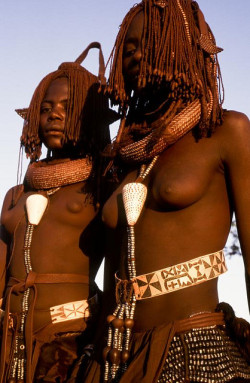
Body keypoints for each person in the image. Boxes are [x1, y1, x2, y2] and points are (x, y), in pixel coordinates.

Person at [80, 1, 250, 382]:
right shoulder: (123, 158)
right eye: (128, 49)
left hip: (196, 350)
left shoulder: (227, 132)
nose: (136, 54)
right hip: (113, 357)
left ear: (182, 44)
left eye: (150, 42)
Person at [0, 42, 116, 382]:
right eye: (47, 107)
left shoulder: (103, 187)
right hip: (8, 345)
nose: (54, 114)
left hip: (71, 343)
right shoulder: (16, 194)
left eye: (68, 107)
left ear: (90, 118)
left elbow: (121, 269)